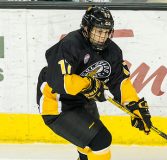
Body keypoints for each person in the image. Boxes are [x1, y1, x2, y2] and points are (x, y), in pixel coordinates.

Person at [36, 6, 152, 160]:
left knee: (89, 145)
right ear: (86, 28)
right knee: (101, 140)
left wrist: (134, 105)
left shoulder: (112, 51)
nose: (102, 37)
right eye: (98, 31)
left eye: (106, 32)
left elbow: (119, 81)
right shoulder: (71, 44)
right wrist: (88, 84)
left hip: (81, 100)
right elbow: (61, 82)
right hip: (55, 103)